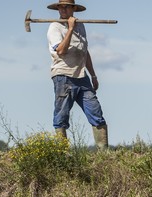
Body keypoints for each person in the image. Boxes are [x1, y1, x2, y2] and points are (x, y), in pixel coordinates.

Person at [46, 0, 108, 148]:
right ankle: (62, 153)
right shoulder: (55, 27)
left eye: (66, 7)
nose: (63, 10)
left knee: (96, 111)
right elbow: (61, 51)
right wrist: (70, 29)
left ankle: (104, 154)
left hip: (81, 76)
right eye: (60, 7)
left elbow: (84, 52)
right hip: (63, 76)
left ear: (73, 9)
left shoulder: (81, 26)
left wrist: (93, 75)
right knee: (61, 115)